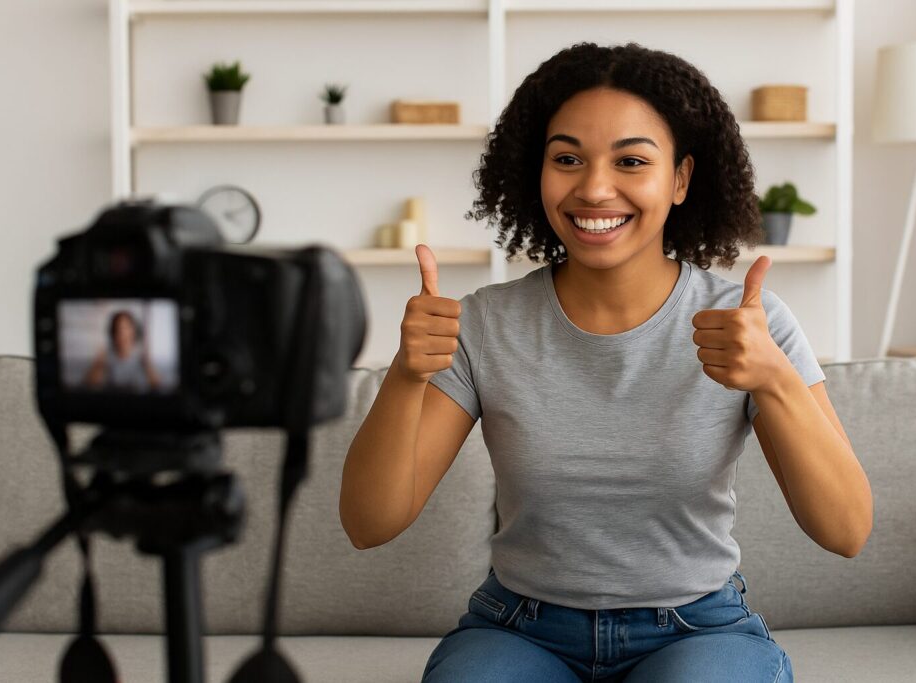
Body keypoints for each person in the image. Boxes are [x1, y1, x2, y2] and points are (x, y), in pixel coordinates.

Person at [341, 42, 867, 682]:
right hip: (521, 629)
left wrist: (775, 381)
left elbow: (846, 531)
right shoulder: (484, 325)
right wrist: (405, 376)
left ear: (679, 179)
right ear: (536, 173)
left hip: (695, 630)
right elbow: (369, 524)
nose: (593, 188)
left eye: (631, 161)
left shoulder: (752, 324)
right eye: (567, 159)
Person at [81, 309, 162, 392]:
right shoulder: (106, 356)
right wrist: (99, 363)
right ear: (113, 334)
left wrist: (148, 365)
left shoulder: (142, 357)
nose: (122, 333)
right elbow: (88, 385)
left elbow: (158, 387)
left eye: (126, 328)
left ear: (134, 331)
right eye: (118, 329)